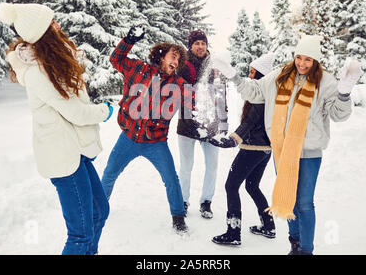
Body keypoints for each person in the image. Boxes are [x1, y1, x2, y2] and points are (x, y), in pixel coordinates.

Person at [212, 35, 362, 255]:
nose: (301, 63)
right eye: (299, 57)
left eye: (307, 60)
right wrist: (232, 75)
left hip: (309, 152)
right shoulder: (279, 77)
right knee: (289, 201)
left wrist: (344, 92)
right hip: (282, 150)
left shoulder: (326, 82)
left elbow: (338, 115)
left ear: (316, 61)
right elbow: (254, 92)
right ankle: (295, 244)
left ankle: (306, 250)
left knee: (304, 204)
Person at [0, 2, 113, 255]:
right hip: (63, 157)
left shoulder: (51, 62)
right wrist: (106, 111)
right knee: (80, 234)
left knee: (99, 212)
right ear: (44, 32)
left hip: (76, 150)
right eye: (52, 22)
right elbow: (76, 112)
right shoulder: (39, 72)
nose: (58, 25)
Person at [101, 26, 193, 234]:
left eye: (179, 60)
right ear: (161, 56)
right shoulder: (138, 69)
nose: (176, 62)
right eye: (173, 56)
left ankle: (178, 217)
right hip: (129, 137)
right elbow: (116, 59)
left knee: (171, 179)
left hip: (156, 143)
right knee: (109, 173)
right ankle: (98, 207)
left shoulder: (178, 84)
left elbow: (193, 105)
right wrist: (129, 40)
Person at [209, 53, 275, 246]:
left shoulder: (258, 96)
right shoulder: (265, 95)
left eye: (253, 72)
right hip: (265, 150)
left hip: (253, 148)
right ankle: (268, 225)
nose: (250, 75)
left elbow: (249, 123)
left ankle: (233, 232)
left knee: (231, 186)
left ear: (262, 76)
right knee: (252, 186)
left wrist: (232, 140)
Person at [176, 30, 229, 219]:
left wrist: (223, 122)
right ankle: (182, 200)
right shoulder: (183, 64)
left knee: (212, 165)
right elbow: (177, 89)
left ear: (207, 46)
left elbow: (221, 94)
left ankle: (206, 202)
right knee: (186, 166)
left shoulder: (215, 66)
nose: (200, 46)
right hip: (187, 123)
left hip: (211, 125)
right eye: (196, 43)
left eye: (203, 43)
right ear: (190, 46)